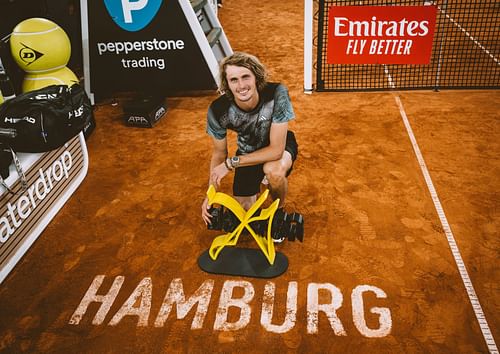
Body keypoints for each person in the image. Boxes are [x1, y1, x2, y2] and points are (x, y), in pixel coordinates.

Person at [201, 52, 299, 231]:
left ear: (256, 77)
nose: (241, 85)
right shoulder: (218, 110)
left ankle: (278, 212)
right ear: (227, 84)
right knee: (244, 219)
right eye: (234, 80)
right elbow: (219, 153)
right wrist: (211, 194)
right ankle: (256, 188)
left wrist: (231, 164)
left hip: (279, 145)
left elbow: (276, 150)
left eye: (246, 77)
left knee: (273, 170)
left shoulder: (277, 93)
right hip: (248, 152)